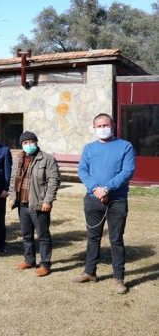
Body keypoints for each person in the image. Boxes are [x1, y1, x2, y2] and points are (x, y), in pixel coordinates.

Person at [72, 113, 135, 294]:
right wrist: (96, 189)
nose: (103, 128)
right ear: (94, 128)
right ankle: (89, 272)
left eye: (106, 125)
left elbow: (127, 171)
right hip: (93, 200)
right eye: (99, 126)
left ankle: (118, 278)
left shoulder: (125, 146)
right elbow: (83, 170)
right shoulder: (89, 148)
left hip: (117, 200)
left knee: (116, 239)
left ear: (113, 125)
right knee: (93, 237)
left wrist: (107, 189)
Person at [7, 131, 60, 277]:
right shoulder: (18, 158)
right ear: (21, 145)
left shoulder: (47, 159)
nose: (28, 145)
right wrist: (12, 196)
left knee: (43, 235)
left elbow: (54, 182)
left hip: (39, 204)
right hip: (22, 204)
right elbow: (13, 180)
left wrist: (48, 201)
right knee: (26, 235)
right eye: (25, 143)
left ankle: (45, 264)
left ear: (36, 142)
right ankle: (29, 260)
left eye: (31, 142)